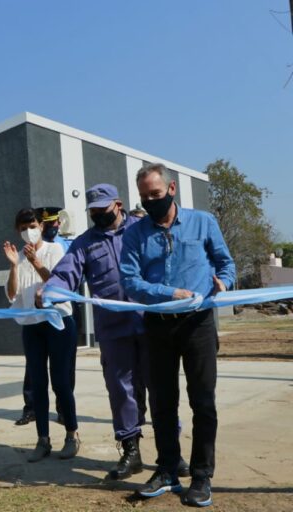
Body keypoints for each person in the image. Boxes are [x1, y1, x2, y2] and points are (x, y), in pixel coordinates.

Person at [37, 184, 187, 480]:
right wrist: (50, 289)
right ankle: (131, 452)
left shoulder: (144, 229)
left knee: (160, 388)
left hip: (150, 323)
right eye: (92, 212)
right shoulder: (85, 243)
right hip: (113, 329)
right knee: (121, 391)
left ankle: (170, 453)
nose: (97, 216)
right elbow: (67, 273)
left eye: (102, 210)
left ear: (118, 205)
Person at [120, 163, 235, 507]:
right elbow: (130, 282)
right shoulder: (135, 233)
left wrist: (224, 282)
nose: (149, 201)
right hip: (157, 324)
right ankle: (168, 467)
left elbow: (226, 264)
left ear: (171, 190)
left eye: (154, 194)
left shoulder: (203, 222)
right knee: (162, 402)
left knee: (203, 400)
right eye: (143, 196)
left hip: (198, 323)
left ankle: (201, 475)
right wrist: (169, 294)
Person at [3, 207, 79, 461]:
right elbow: (12, 294)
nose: (28, 231)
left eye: (32, 225)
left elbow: (59, 283)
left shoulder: (54, 250)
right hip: (32, 326)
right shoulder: (19, 257)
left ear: (42, 226)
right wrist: (15, 266)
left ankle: (71, 434)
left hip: (58, 323)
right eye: (23, 228)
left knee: (61, 381)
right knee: (37, 383)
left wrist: (37, 262)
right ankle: (43, 439)